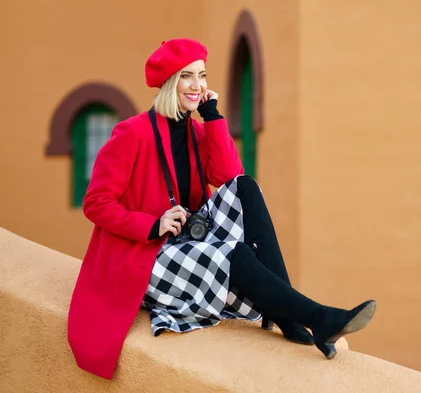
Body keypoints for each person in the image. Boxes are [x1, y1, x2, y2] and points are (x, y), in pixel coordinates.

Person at [67, 38, 376, 380]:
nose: (197, 85)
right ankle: (317, 318)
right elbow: (96, 203)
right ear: (171, 82)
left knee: (247, 186)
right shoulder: (132, 134)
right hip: (149, 254)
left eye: (202, 75)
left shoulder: (196, 131)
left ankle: (287, 314)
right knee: (234, 255)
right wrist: (153, 224)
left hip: (191, 239)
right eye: (187, 76)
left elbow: (229, 177)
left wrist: (213, 118)